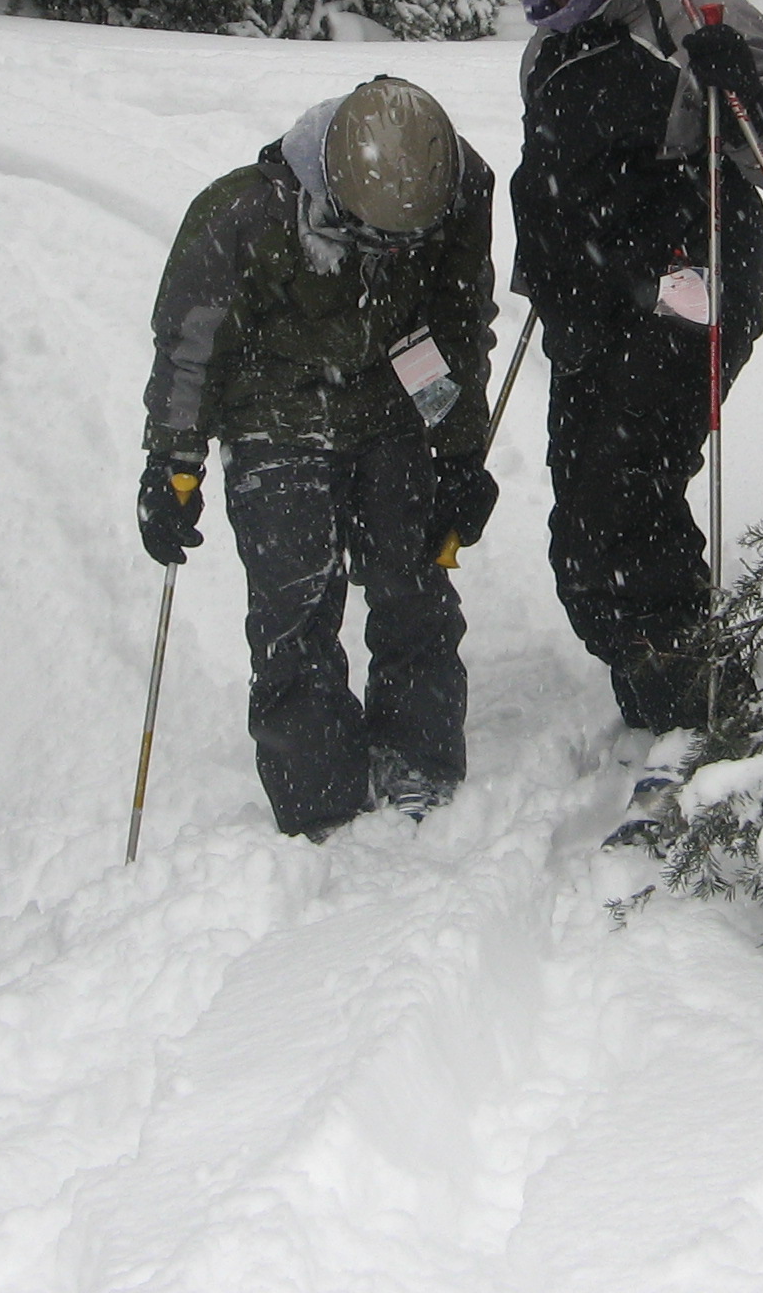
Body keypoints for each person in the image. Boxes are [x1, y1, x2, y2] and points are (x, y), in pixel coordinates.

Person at [505, 0, 763, 741]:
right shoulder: (547, 53)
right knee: (582, 526)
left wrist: (744, 99)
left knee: (628, 501)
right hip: (597, 302)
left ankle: (703, 715)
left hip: (699, 285)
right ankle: (661, 693)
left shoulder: (700, 14)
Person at [137, 76, 499, 838]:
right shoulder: (242, 214)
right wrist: (174, 463)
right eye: (378, 242)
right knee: (294, 607)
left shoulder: (457, 189)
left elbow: (454, 324)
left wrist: (461, 453)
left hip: (390, 402)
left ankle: (418, 754)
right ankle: (319, 793)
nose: (396, 256)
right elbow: (189, 349)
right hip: (274, 416)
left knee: (417, 579)